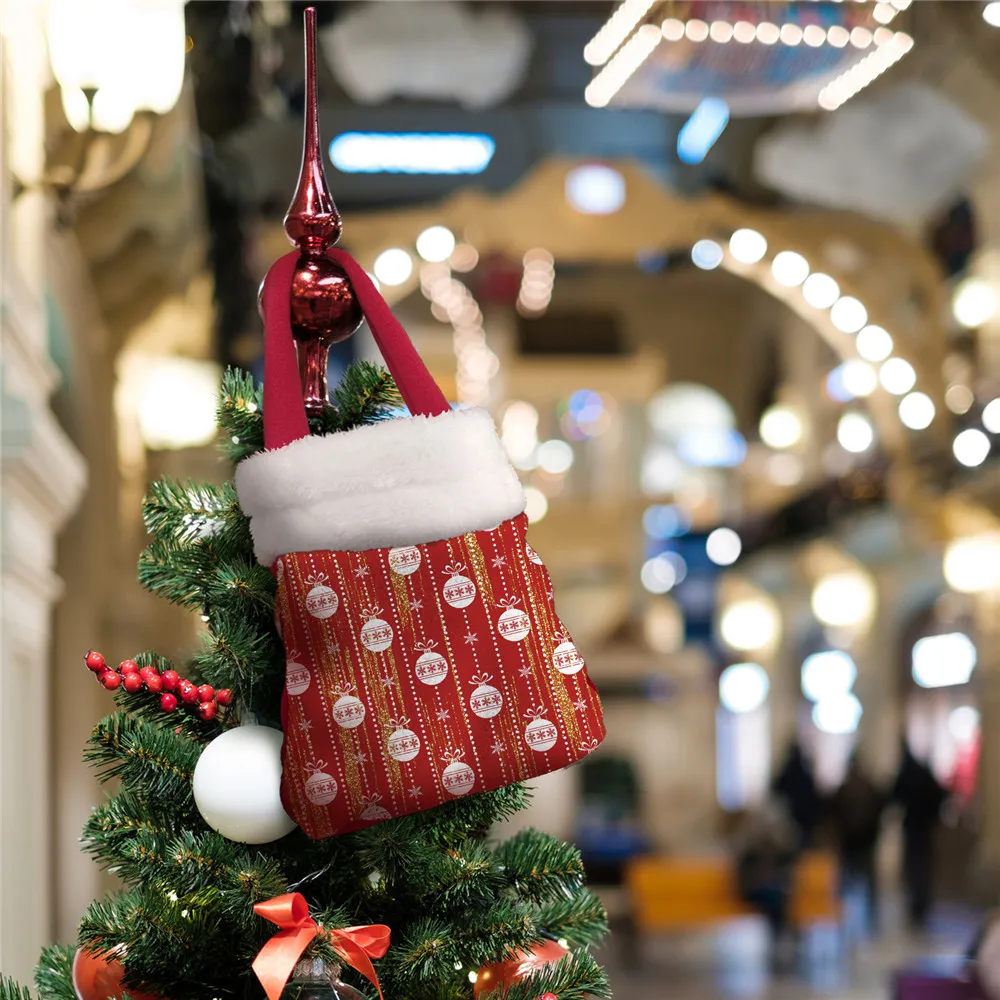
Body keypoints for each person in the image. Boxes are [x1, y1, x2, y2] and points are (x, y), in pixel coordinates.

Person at [735, 799, 800, 970]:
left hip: (771, 889)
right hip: (754, 889)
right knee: (777, 899)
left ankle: (781, 942)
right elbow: (745, 875)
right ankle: (780, 942)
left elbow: (791, 858)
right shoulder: (750, 847)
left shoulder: (779, 845)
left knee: (779, 896)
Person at [828, 755, 887, 934]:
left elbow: (833, 815)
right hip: (863, 843)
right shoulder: (868, 787)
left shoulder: (845, 789)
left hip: (851, 843)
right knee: (867, 884)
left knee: (848, 883)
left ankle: (843, 918)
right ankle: (871, 921)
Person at [892, 741, 947, 930]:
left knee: (917, 867)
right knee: (920, 868)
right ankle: (919, 904)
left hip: (917, 829)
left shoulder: (912, 776)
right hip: (921, 829)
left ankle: (919, 904)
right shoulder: (923, 776)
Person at [773, 741, 821, 849]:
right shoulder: (803, 774)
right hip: (799, 817)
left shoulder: (789, 772)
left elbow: (776, 788)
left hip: (793, 816)